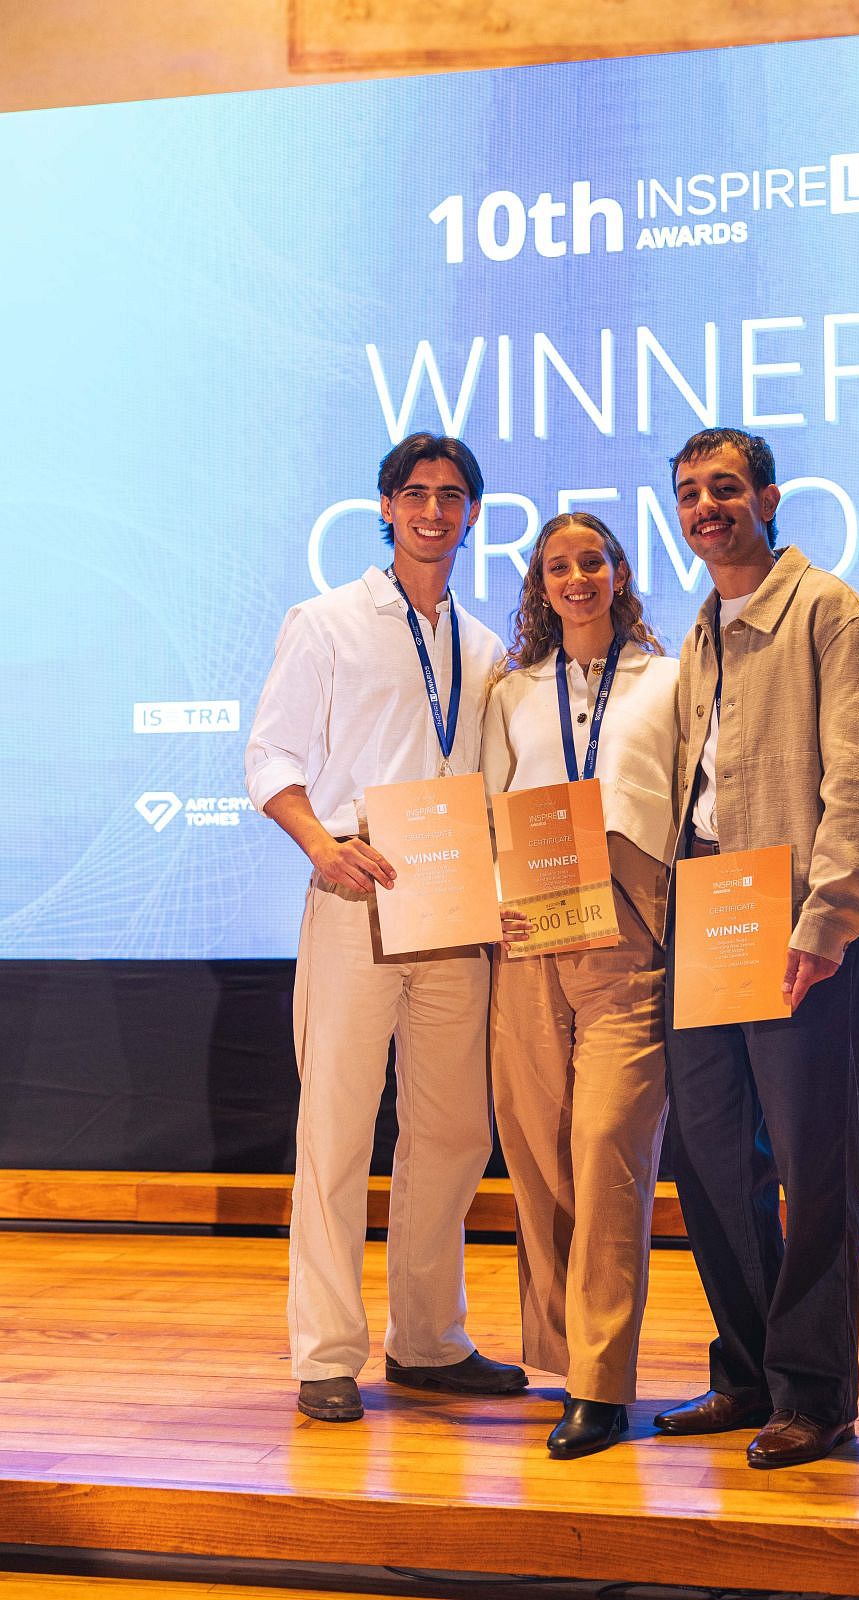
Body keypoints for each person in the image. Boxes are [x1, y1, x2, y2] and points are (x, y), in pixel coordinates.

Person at [245, 432, 526, 1422]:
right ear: (385, 506)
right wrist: (321, 846)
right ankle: (325, 1353)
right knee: (335, 1127)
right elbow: (270, 757)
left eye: (451, 496)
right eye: (415, 493)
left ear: (472, 514)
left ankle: (427, 1339)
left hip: (454, 907)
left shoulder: (486, 648)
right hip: (356, 891)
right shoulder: (324, 621)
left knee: (453, 1130)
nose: (432, 511)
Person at [654, 428, 859, 1468]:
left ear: (767, 499)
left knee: (810, 1169)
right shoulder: (700, 627)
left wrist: (828, 919)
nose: (704, 507)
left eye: (724, 488)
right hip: (706, 911)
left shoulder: (831, 613)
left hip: (800, 923)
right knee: (709, 1155)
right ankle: (746, 1374)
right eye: (688, 492)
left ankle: (813, 1394)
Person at [482, 511, 679, 1460]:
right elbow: (486, 808)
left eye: (591, 561)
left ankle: (601, 1386)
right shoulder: (511, 690)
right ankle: (567, 1363)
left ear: (618, 572)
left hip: (629, 932)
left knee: (606, 1150)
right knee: (537, 1154)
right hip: (530, 931)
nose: (576, 577)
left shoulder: (669, 678)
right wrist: (492, 901)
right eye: (557, 565)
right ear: (539, 585)